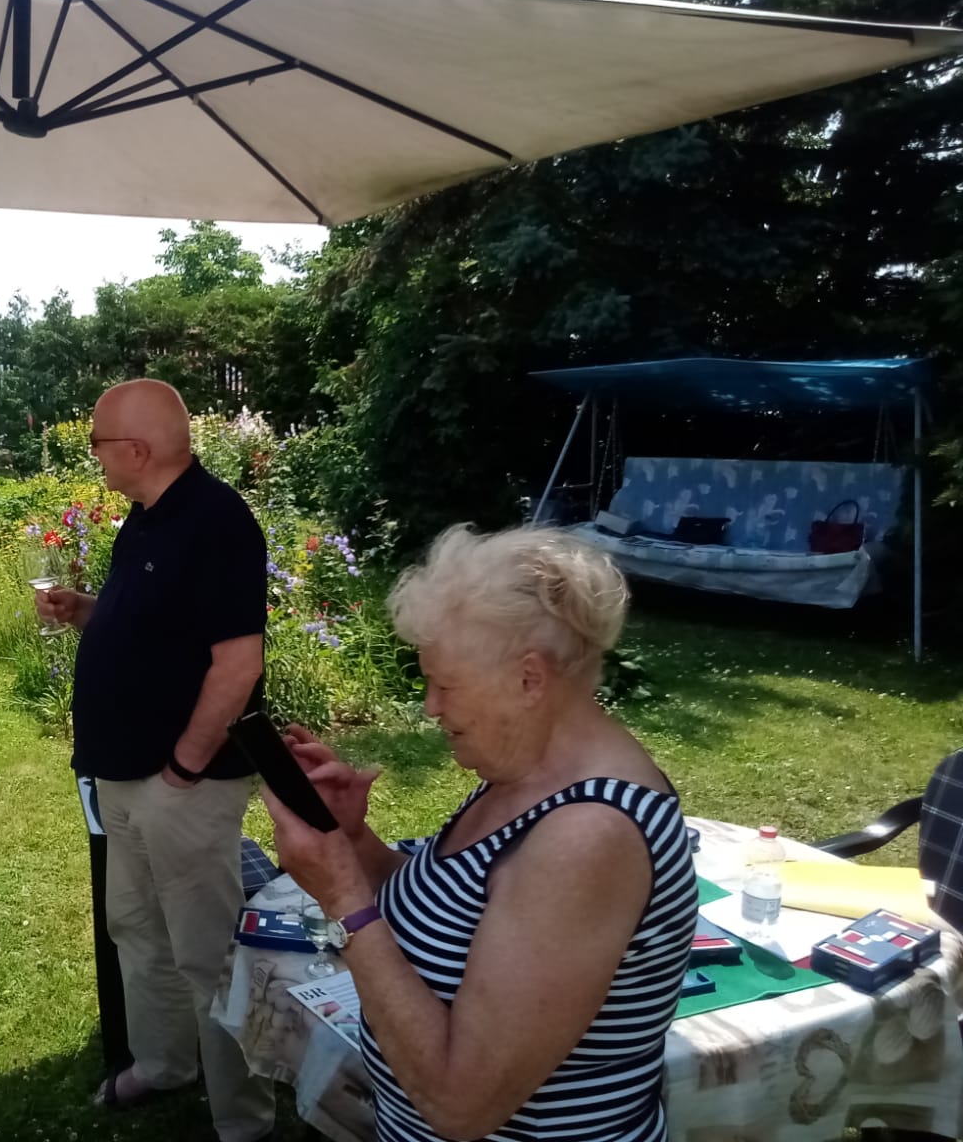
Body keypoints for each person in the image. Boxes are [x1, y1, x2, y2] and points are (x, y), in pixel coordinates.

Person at [262, 525, 698, 1142]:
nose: (431, 707)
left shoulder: (587, 836)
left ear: (529, 679)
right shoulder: (527, 774)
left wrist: (342, 901)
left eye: (446, 684)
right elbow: (458, 913)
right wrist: (355, 843)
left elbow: (460, 1105)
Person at [37, 379, 275, 1142]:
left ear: (136, 450)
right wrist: (87, 612)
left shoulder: (216, 521)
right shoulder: (144, 519)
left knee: (207, 953)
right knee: (137, 928)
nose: (94, 455)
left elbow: (236, 666)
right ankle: (164, 1063)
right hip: (123, 772)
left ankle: (242, 1118)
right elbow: (155, 628)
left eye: (98, 442)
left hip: (180, 783)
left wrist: (183, 769)